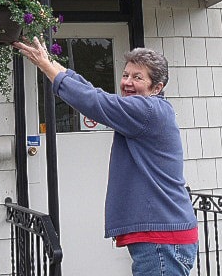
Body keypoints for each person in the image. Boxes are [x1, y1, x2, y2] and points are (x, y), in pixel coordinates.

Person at [13, 37, 199, 276]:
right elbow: (92, 91)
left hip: (162, 238)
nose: (128, 82)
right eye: (126, 75)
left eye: (138, 77)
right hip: (161, 236)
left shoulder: (148, 111)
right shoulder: (147, 111)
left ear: (157, 87)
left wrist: (46, 66)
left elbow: (94, 101)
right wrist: (48, 63)